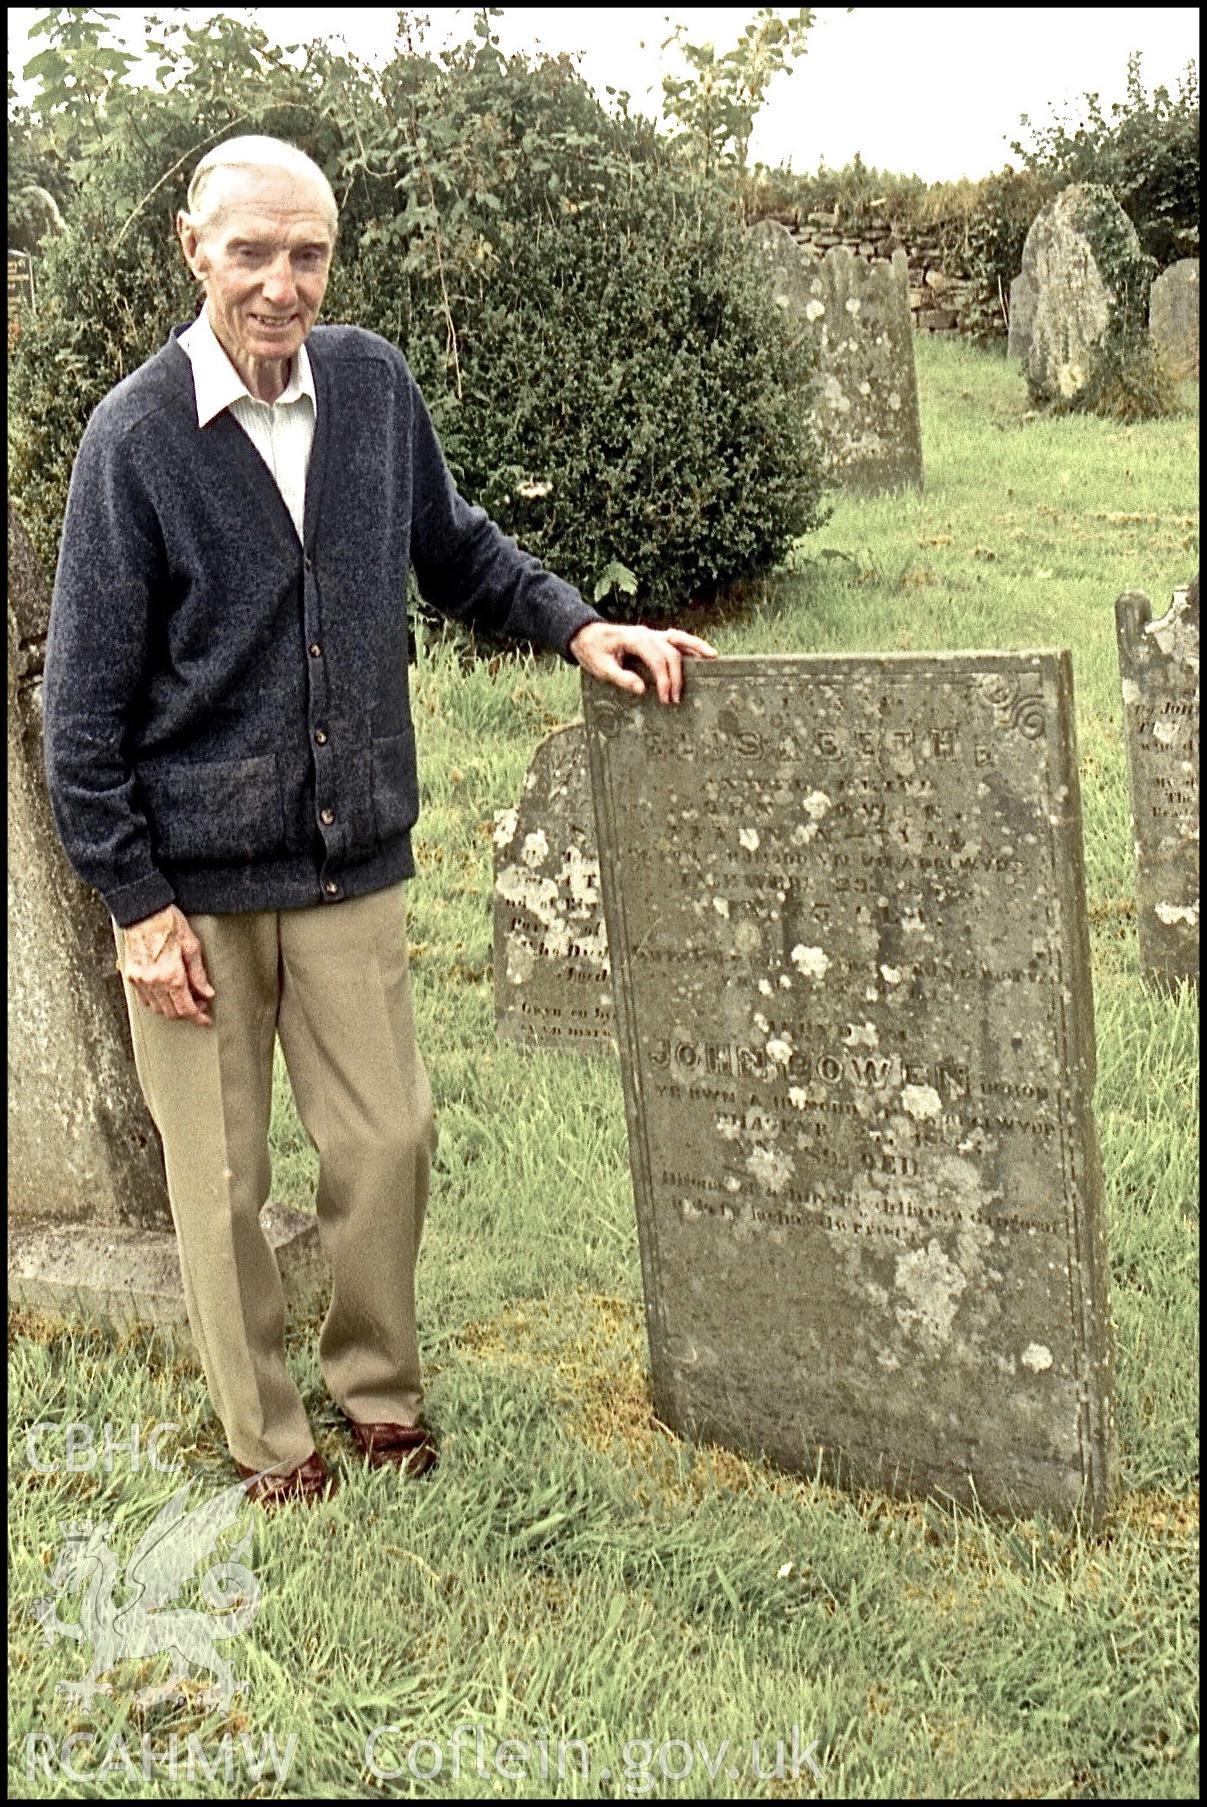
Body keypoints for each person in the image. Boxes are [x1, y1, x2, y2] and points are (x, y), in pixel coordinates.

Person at [43, 135, 717, 1510]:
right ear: (194, 251)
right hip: (195, 893)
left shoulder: (370, 386)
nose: (282, 286)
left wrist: (578, 627)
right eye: (251, 254)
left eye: (309, 255)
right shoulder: (135, 441)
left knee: (387, 1142)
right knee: (221, 1179)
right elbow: (82, 711)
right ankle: (272, 1447)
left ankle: (378, 1397)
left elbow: (456, 546)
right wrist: (136, 904)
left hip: (349, 858)